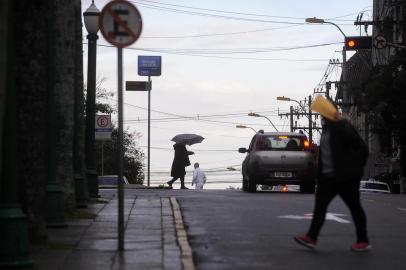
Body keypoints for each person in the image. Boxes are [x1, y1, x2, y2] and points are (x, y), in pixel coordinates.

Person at [294, 96, 371, 252]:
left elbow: (362, 149)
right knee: (320, 208)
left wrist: (355, 170)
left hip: (346, 178)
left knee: (355, 207)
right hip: (328, 178)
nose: (320, 116)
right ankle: (311, 237)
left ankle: (363, 241)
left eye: (322, 113)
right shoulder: (327, 128)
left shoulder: (342, 127)